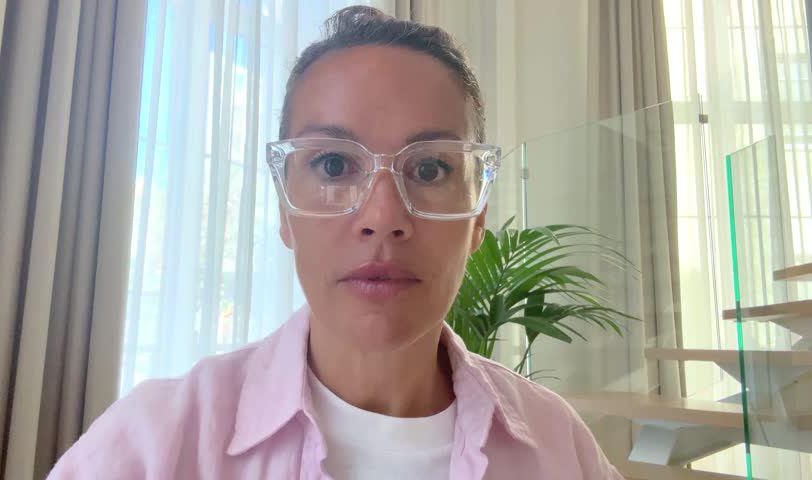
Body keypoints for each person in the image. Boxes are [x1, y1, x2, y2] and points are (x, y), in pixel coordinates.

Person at [49, 6, 623, 479]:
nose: (381, 217)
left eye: (428, 170)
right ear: (283, 210)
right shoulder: (159, 445)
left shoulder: (557, 445)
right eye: (331, 164)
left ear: (477, 218)